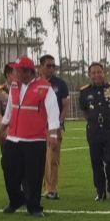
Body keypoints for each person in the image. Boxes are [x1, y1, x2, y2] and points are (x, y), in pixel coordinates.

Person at [0, 56, 60, 218]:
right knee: (8, 169)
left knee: (34, 175)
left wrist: (53, 133)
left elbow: (53, 111)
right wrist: (3, 126)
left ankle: (34, 207)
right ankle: (16, 200)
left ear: (28, 71)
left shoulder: (45, 88)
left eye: (18, 71)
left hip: (35, 140)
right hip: (13, 138)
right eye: (14, 71)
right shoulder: (14, 86)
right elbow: (10, 109)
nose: (15, 74)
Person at [79, 62, 110, 201]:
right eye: (93, 73)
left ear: (104, 73)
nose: (97, 75)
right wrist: (93, 121)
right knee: (96, 162)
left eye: (99, 72)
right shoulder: (85, 91)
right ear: (89, 75)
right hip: (94, 132)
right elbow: (84, 110)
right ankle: (100, 191)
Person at [39, 54, 70, 200]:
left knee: (53, 159)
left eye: (53, 66)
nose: (51, 68)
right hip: (36, 128)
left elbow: (65, 105)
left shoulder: (60, 84)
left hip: (53, 127)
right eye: (48, 65)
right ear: (41, 67)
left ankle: (52, 189)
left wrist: (59, 123)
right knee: (36, 158)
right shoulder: (34, 83)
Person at [0, 64, 18, 198]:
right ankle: (14, 196)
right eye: (16, 72)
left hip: (25, 133)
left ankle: (27, 194)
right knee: (9, 166)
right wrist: (6, 127)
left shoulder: (27, 89)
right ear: (8, 74)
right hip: (7, 134)